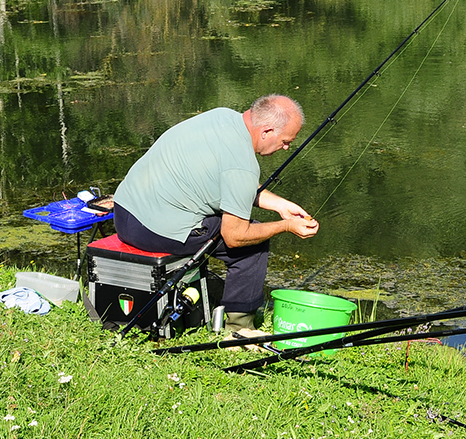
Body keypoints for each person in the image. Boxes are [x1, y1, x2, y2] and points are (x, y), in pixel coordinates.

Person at [113, 95, 318, 335]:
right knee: (252, 244)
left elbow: (228, 178)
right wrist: (285, 226)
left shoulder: (221, 116)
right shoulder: (242, 164)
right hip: (151, 231)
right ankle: (239, 327)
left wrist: (279, 204)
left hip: (124, 212)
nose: (286, 148)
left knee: (230, 223)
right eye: (285, 141)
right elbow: (235, 236)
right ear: (266, 131)